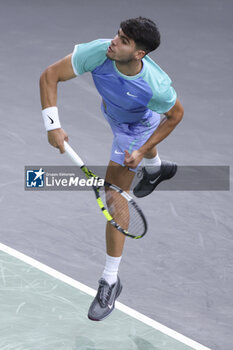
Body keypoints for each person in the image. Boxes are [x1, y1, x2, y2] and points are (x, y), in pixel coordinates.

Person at [40, 17, 184, 321]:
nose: (113, 42)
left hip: (136, 127)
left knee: (115, 195)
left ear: (138, 54)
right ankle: (156, 169)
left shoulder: (155, 86)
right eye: (117, 35)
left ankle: (110, 280)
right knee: (135, 155)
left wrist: (141, 149)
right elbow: (50, 75)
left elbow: (174, 115)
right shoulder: (100, 51)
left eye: (122, 41)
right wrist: (52, 126)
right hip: (113, 112)